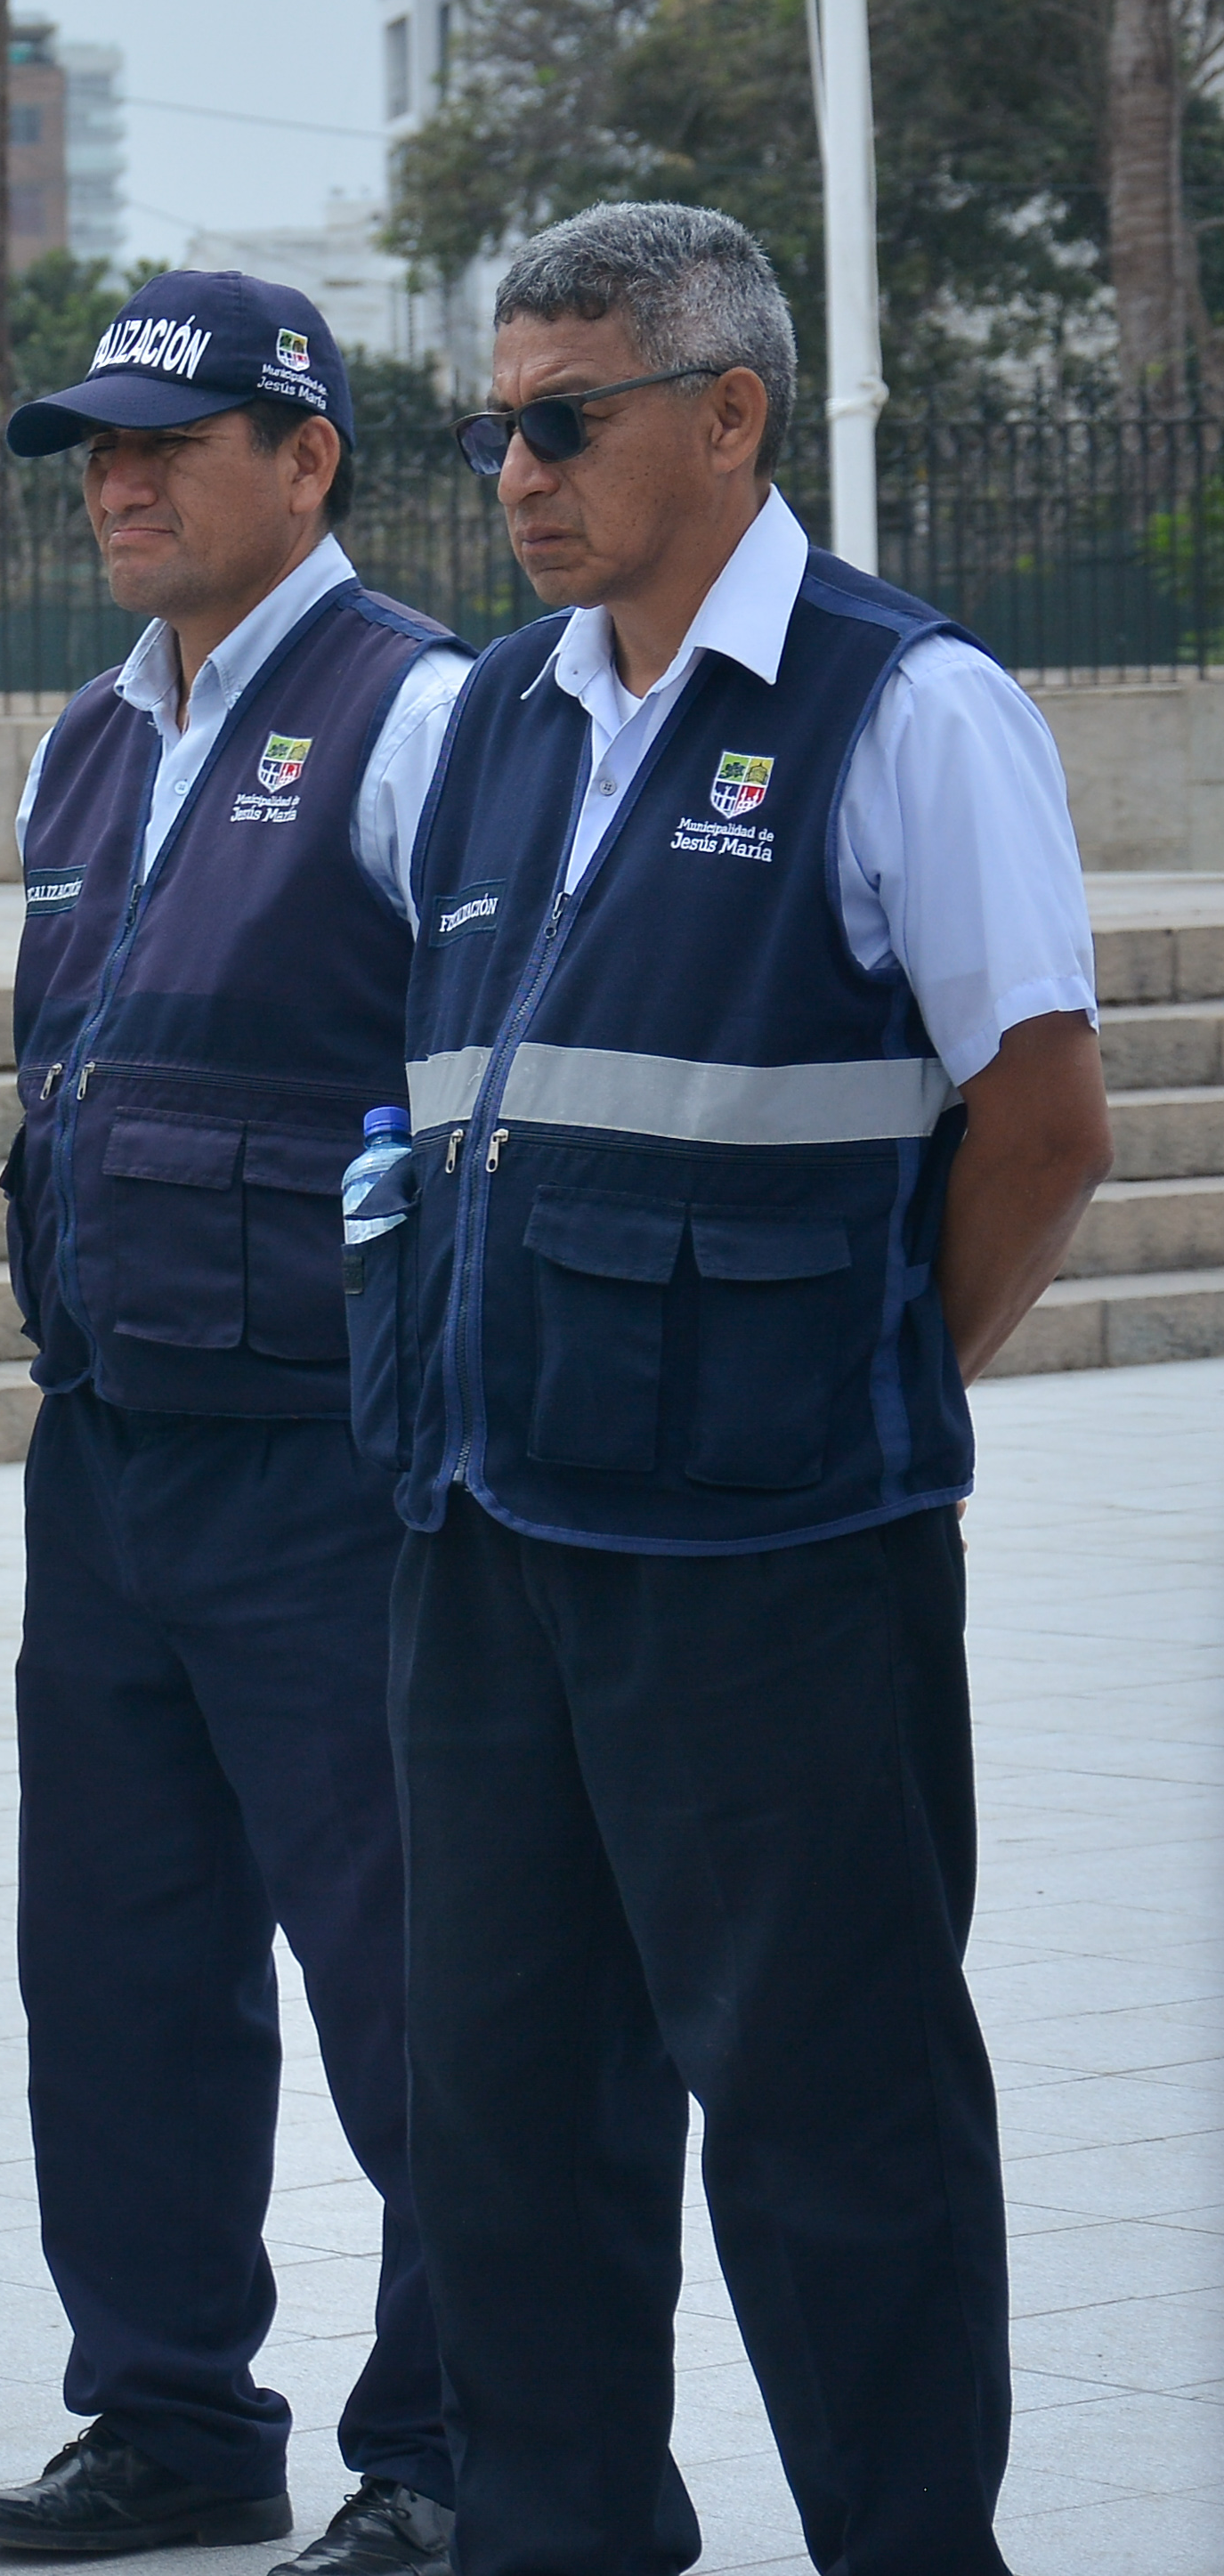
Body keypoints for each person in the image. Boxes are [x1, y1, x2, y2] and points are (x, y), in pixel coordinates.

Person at [371, 203, 1111, 2576]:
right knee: (504, 2116)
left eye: (560, 417)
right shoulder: (495, 716)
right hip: (491, 1546)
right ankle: (558, 2534)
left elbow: (1046, 1115)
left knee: (834, 2123)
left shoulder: (906, 705)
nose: (514, 468)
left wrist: (865, 1382)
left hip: (775, 1566)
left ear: (727, 412)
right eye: (491, 425)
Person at [0, 273, 465, 2576]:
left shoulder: (424, 710)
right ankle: (166, 2413)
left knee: (410, 1969)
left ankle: (454, 2441)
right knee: (119, 1968)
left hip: (326, 1463)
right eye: (92, 447)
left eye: (166, 440)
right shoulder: (88, 734)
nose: (117, 481)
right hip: (112, 1446)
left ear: (309, 457)